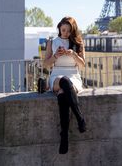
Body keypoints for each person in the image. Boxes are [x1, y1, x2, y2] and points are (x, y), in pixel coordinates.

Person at [43, 16, 86, 154]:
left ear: (73, 31)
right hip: (57, 75)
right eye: (63, 30)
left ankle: (64, 136)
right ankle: (80, 118)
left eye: (68, 31)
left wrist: (74, 55)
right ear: (59, 28)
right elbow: (46, 64)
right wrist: (55, 56)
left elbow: (82, 65)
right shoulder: (52, 42)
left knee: (62, 95)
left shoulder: (78, 43)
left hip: (74, 75)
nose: (65, 33)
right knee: (64, 81)